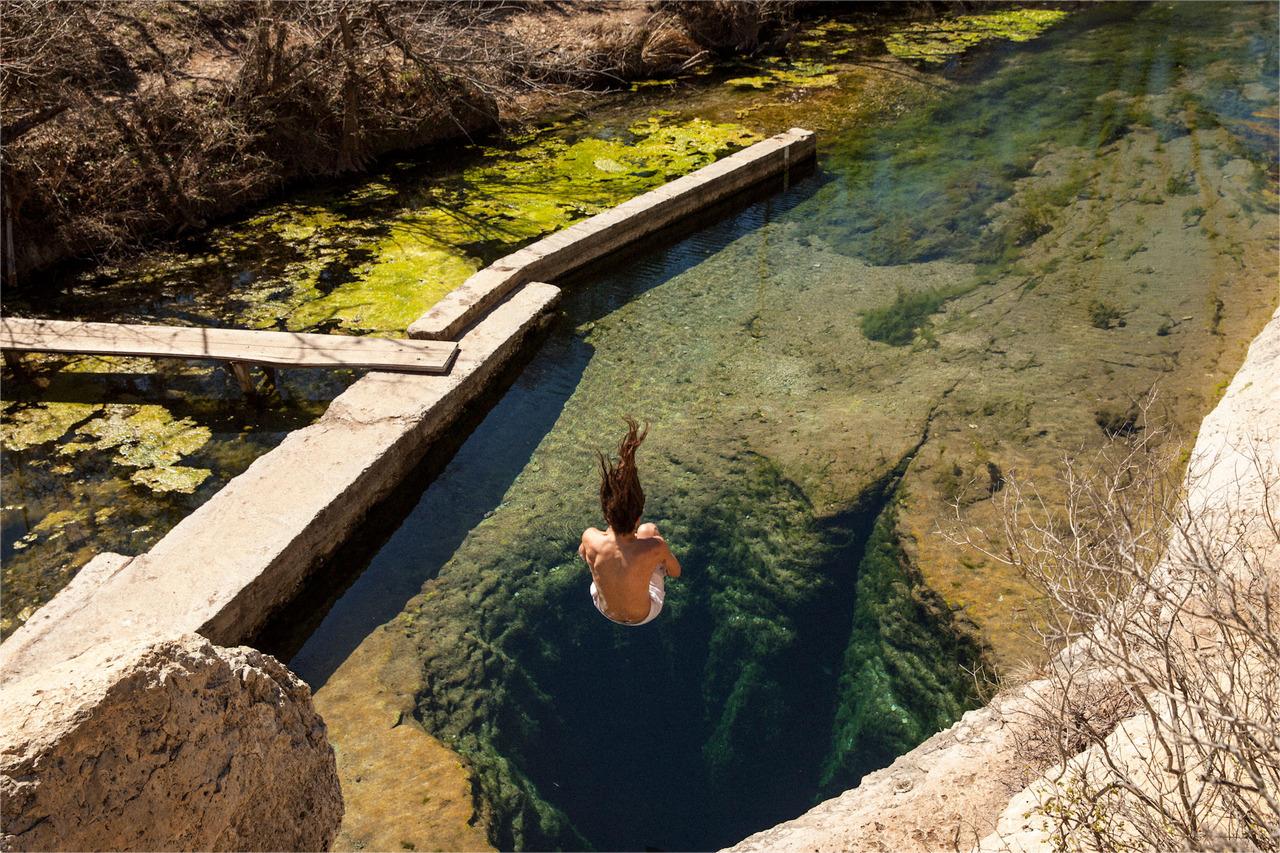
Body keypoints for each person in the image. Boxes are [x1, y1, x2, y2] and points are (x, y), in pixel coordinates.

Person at [579, 417, 682, 626]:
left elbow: (583, 554)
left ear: (607, 515)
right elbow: (675, 573)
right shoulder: (654, 546)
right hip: (643, 615)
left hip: (604, 608)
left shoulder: (590, 537)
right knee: (649, 530)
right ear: (637, 517)